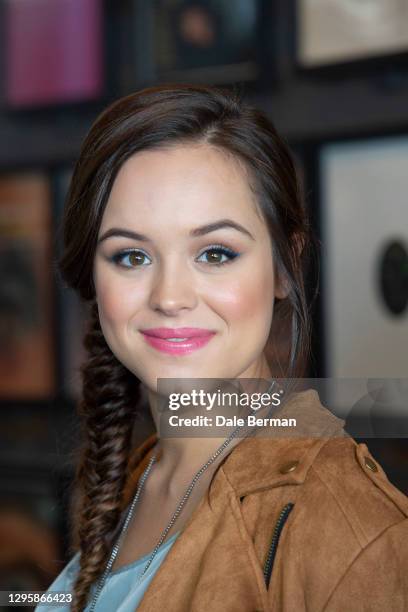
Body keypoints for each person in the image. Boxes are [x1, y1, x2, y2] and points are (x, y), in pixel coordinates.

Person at [36, 84, 408, 612]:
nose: (169, 297)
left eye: (214, 253)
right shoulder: (137, 478)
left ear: (284, 265)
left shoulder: (350, 531)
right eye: (131, 257)